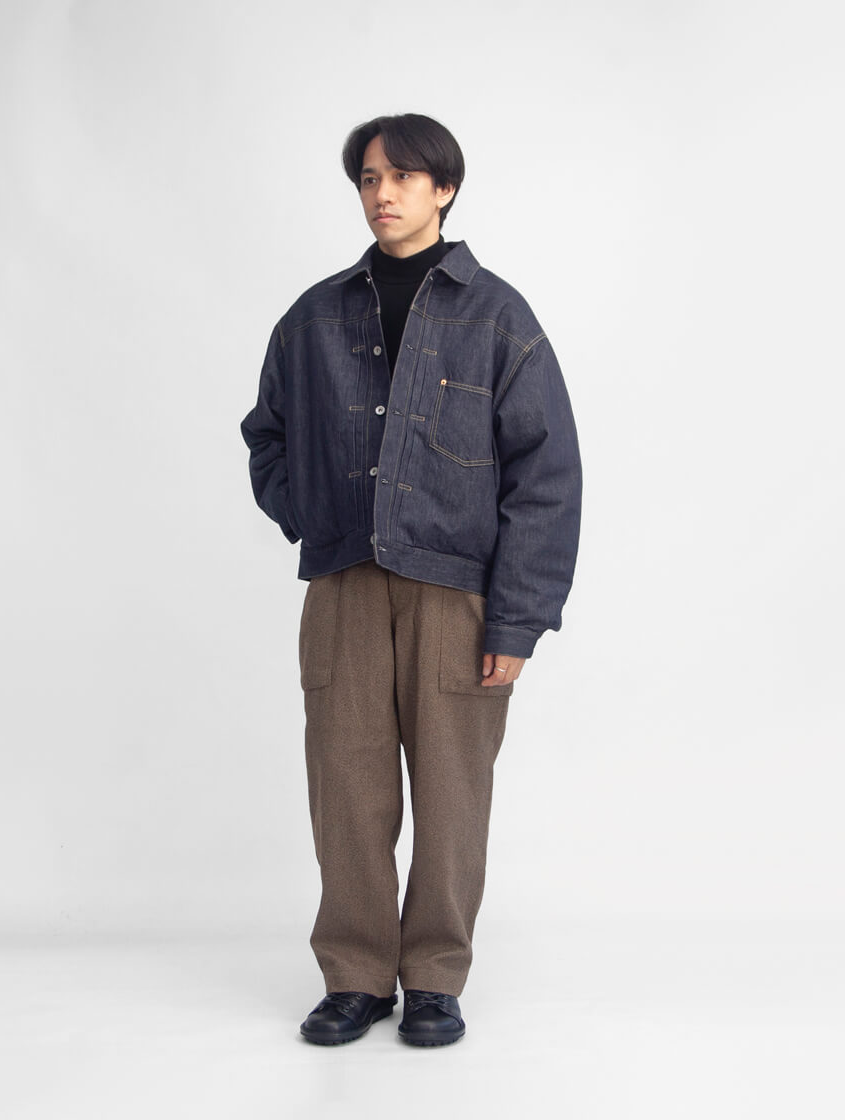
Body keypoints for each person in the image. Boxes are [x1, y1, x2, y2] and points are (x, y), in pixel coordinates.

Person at [240, 113, 582, 1046]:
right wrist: (312, 514)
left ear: (445, 188)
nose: (382, 193)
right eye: (367, 178)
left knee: (452, 794)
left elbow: (546, 474)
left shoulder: (499, 317)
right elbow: (266, 434)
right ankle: (355, 977)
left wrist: (516, 621)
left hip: (456, 596)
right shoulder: (314, 317)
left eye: (401, 176)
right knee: (346, 790)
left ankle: (434, 978)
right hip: (345, 587)